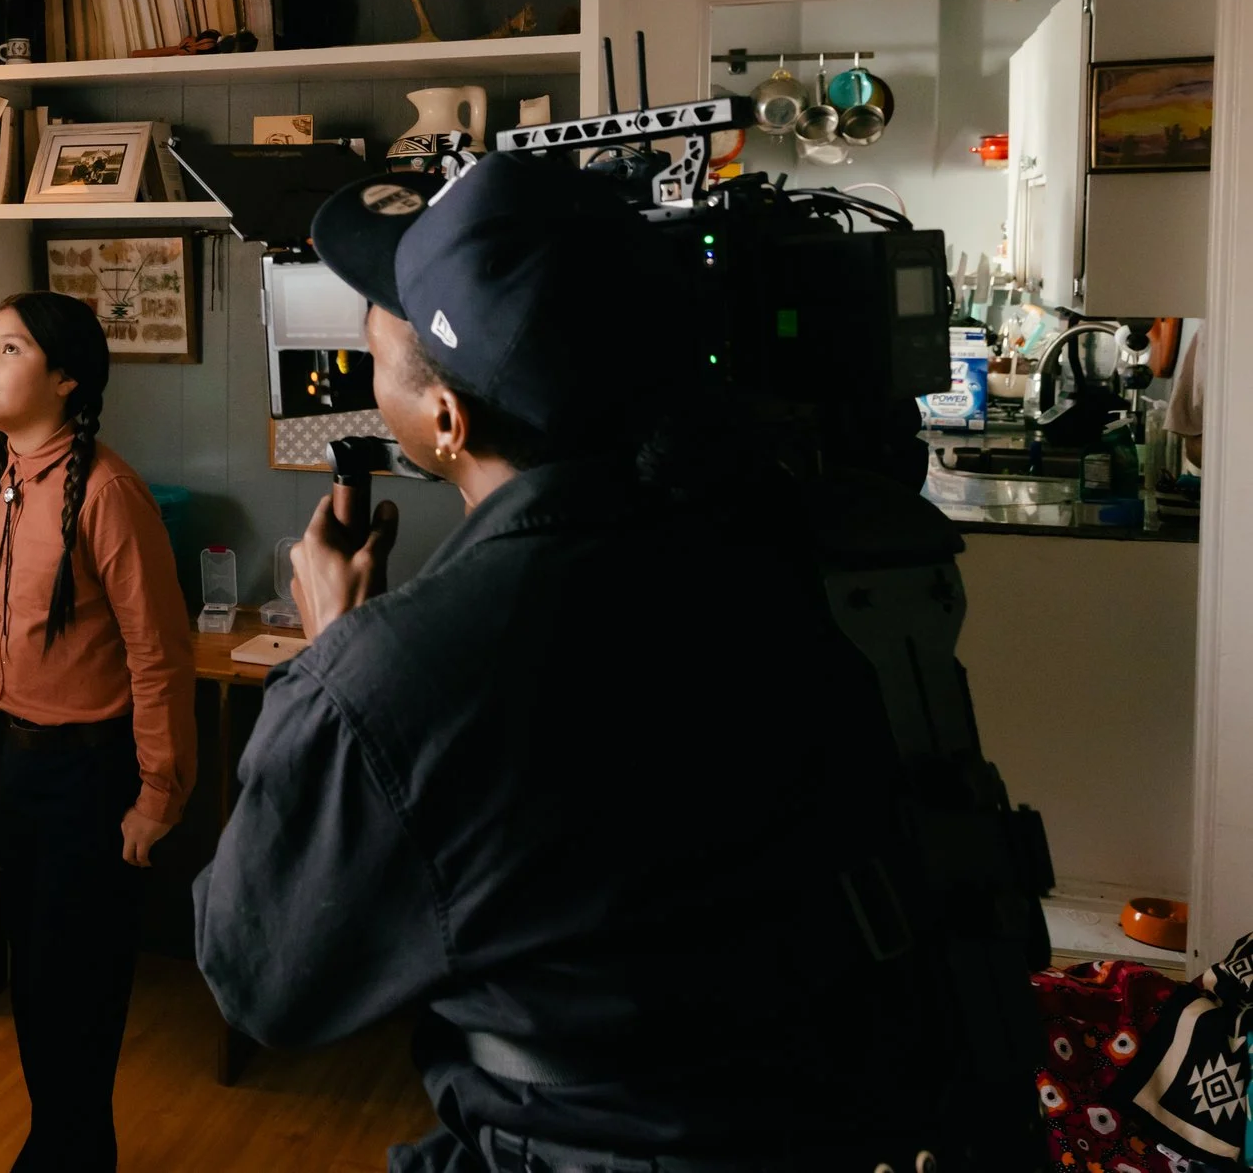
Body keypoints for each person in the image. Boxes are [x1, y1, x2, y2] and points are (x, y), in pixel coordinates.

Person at [194, 154, 952, 1172]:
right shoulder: (769, 552)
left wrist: (333, 650)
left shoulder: (393, 677)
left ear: (445, 419)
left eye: (374, 343)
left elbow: (261, 978)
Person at [0, 291, 197, 1173]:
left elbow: (159, 653)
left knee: (78, 992)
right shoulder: (10, 477)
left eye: (9, 349)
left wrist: (158, 793)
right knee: (34, 981)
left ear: (65, 378)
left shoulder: (108, 492)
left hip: (92, 779)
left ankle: (69, 1153)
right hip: (20, 765)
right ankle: (61, 1147)